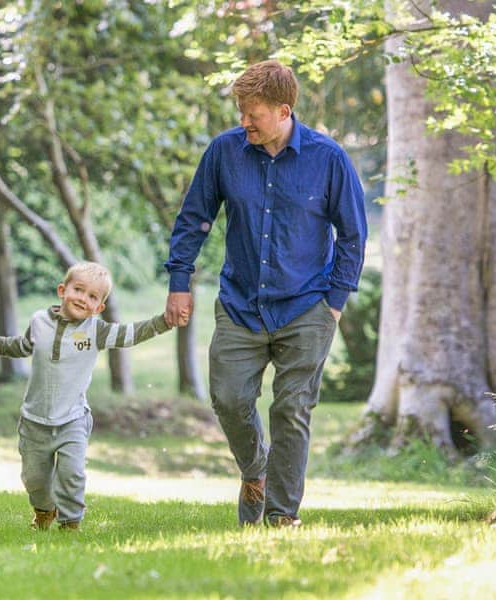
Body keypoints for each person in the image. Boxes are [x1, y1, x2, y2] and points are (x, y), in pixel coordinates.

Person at [165, 60, 367, 527]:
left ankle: (281, 516)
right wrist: (180, 282)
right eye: (240, 111)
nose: (243, 122)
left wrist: (333, 304)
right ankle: (256, 469)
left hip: (306, 307)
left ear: (283, 110)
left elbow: (353, 235)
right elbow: (194, 218)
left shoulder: (328, 158)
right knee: (230, 399)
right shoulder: (224, 152)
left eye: (251, 113)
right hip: (240, 305)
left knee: (292, 408)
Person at [0, 261, 172, 531]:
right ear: (62, 290)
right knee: (34, 478)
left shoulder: (95, 331)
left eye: (92, 297)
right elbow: (22, 346)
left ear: (99, 308)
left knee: (72, 473)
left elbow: (129, 335)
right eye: (78, 289)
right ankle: (44, 510)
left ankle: (71, 523)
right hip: (34, 421)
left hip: (72, 420)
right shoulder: (39, 321)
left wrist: (163, 322)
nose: (83, 298)